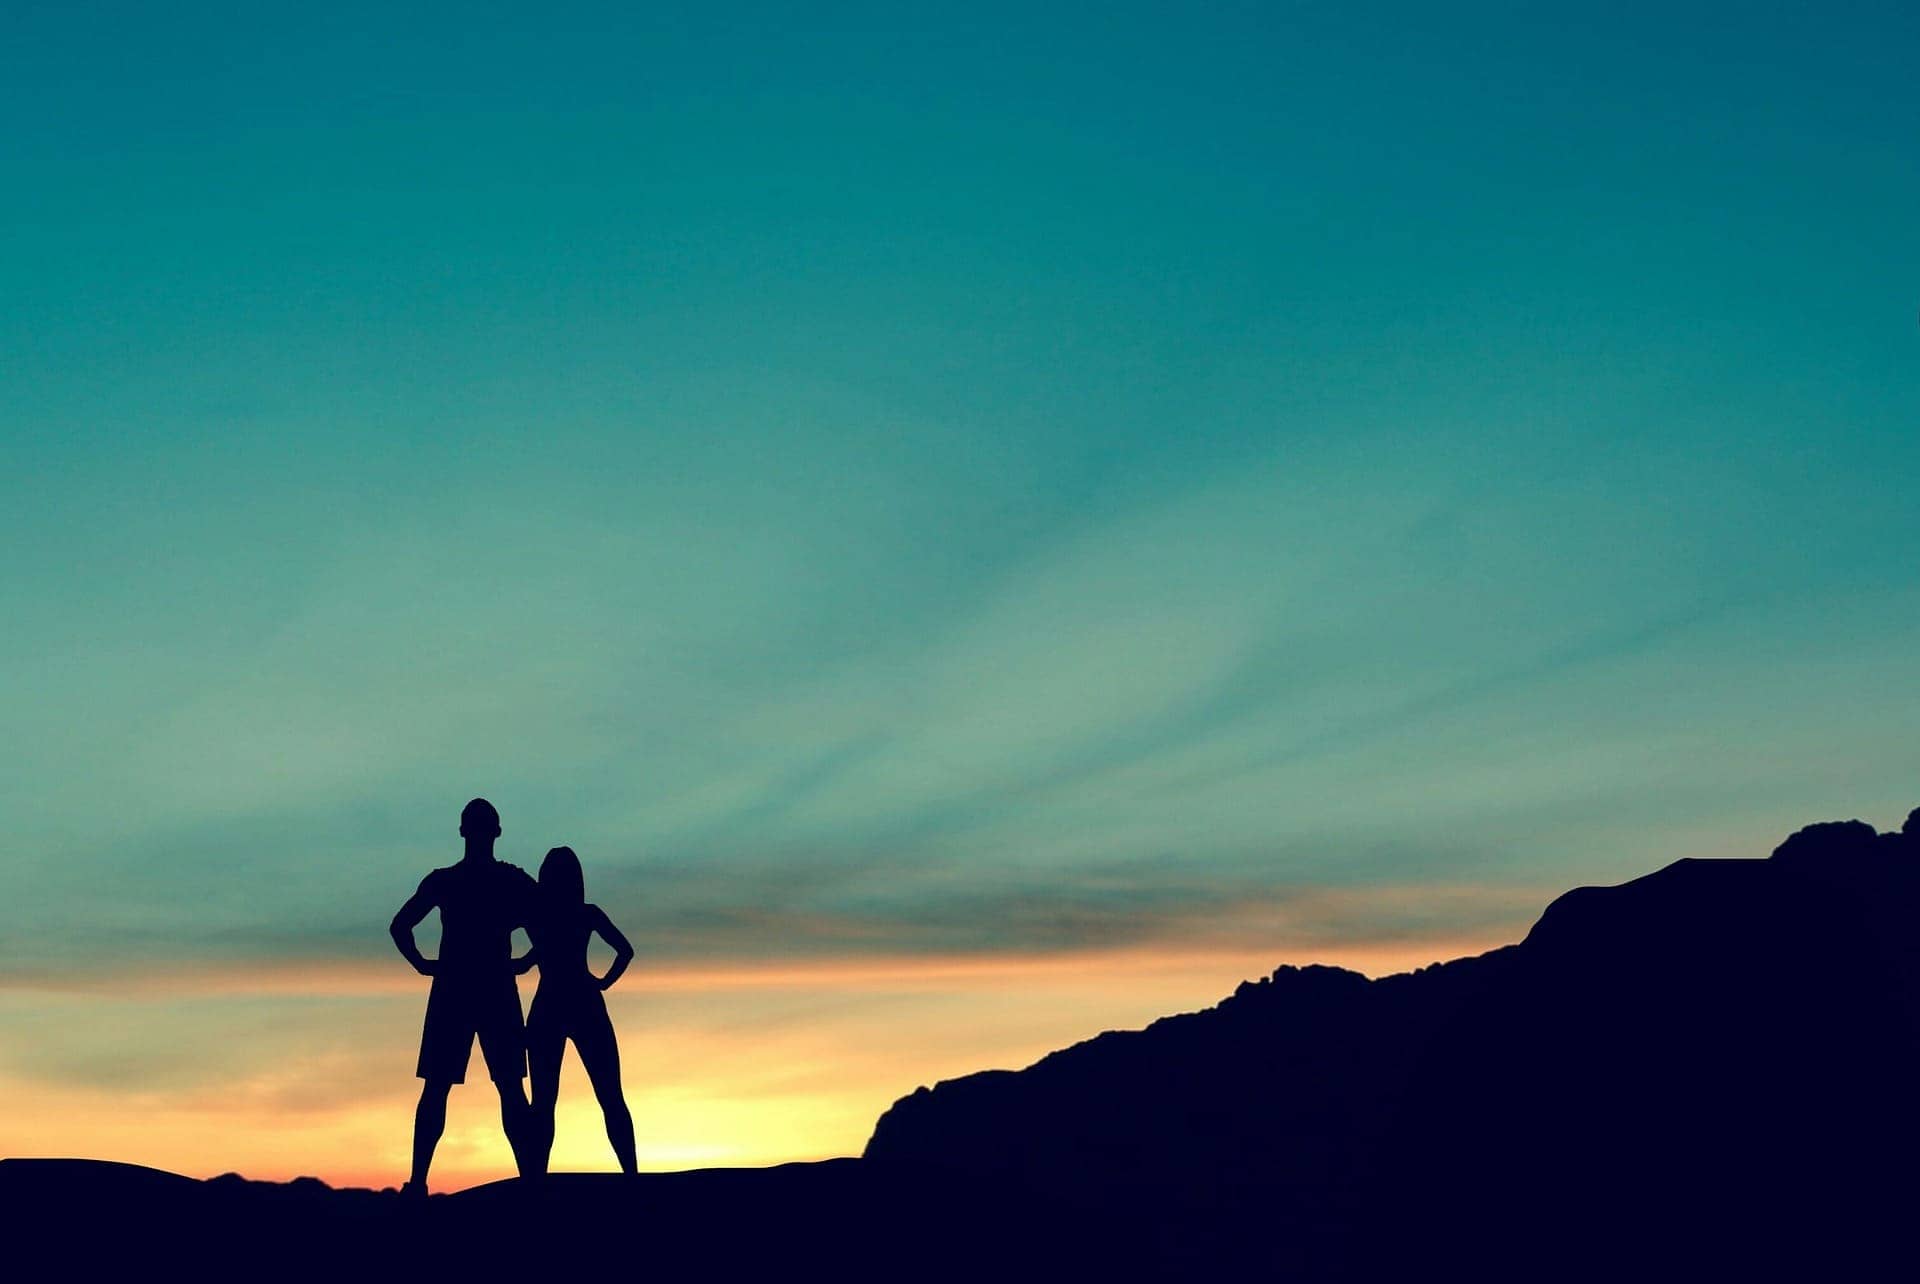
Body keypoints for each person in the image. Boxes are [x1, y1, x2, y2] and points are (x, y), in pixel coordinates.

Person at [389, 797, 540, 1195]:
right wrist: (527, 959)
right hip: (486, 989)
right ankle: (529, 1182)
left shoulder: (448, 881)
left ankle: (419, 1182)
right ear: (497, 832)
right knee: (503, 1087)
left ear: (463, 832)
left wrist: (423, 964)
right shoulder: (507, 881)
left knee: (450, 1088)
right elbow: (549, 922)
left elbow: (400, 926)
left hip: (460, 989)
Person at [524, 845, 638, 1175]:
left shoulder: (539, 918)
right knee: (609, 1096)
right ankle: (631, 1174)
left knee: (545, 1102)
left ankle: (537, 1178)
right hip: (584, 1002)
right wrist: (602, 982)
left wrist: (603, 983)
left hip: (550, 1006)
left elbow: (542, 952)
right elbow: (625, 951)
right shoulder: (586, 914)